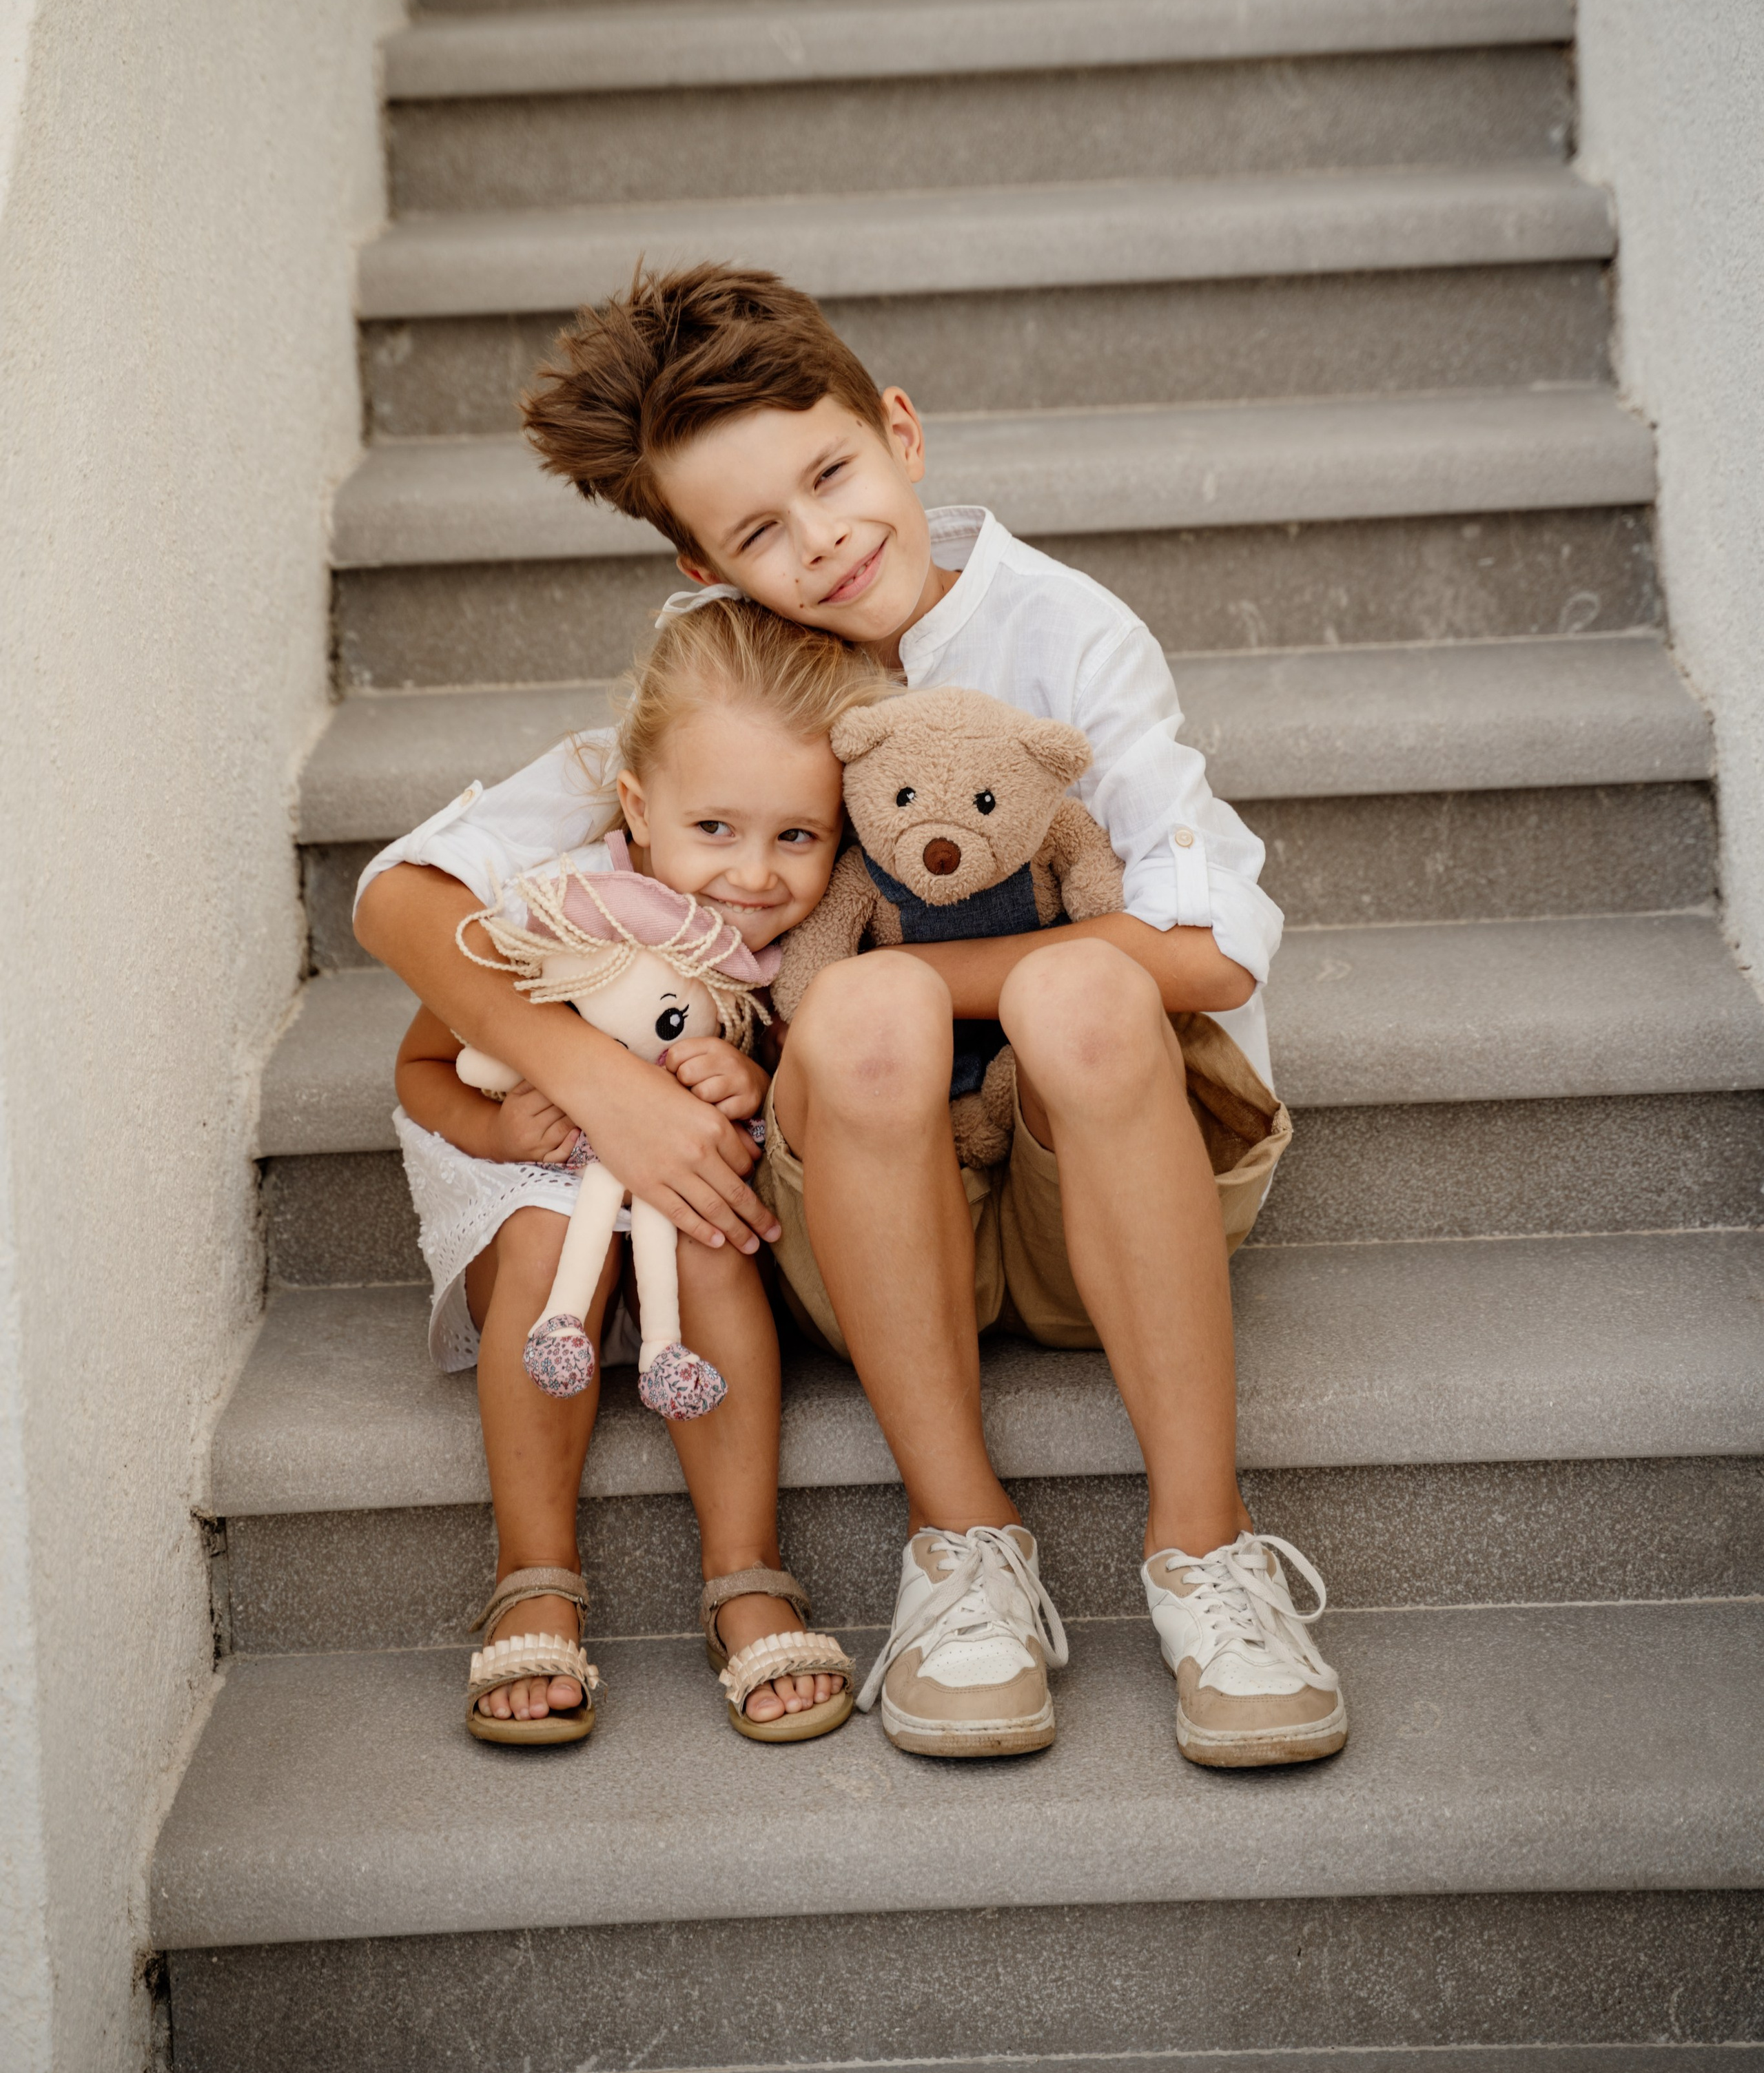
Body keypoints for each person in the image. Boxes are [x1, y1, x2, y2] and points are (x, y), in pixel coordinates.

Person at [357, 263, 1347, 1771]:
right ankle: (962, 1550)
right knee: (872, 1027)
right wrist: (598, 1088)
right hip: (870, 1227)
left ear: (899, 432)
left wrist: (869, 977)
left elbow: (1209, 955)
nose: (817, 543)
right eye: (755, 530)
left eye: (829, 476)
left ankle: (1208, 1555)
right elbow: (396, 900)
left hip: (1102, 1183)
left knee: (1078, 977)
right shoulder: (745, 684)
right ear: (699, 568)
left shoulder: (1062, 634)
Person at [379, 597, 883, 1744]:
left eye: (797, 838)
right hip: (532, 1191)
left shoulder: (811, 944)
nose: (753, 875)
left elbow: (812, 1075)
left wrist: (757, 1084)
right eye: (716, 829)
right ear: (640, 806)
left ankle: (744, 1570)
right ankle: (534, 1571)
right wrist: (497, 1129)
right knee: (546, 1238)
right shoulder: (548, 909)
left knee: (710, 1237)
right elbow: (420, 1069)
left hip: (683, 1218)